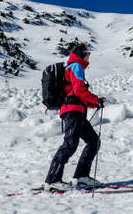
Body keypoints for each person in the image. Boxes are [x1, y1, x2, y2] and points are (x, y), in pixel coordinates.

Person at [44, 43, 105, 191]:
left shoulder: (74, 66)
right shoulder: (76, 66)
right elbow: (79, 89)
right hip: (72, 112)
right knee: (70, 145)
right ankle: (52, 180)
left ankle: (82, 177)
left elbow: (75, 93)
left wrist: (94, 104)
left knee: (93, 141)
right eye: (88, 54)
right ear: (82, 54)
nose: (89, 57)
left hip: (77, 111)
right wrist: (96, 99)